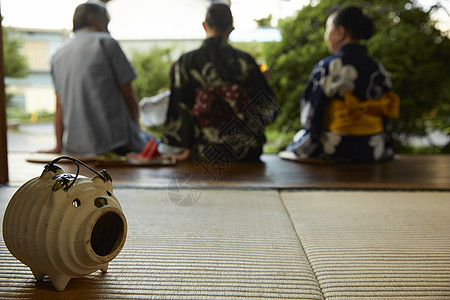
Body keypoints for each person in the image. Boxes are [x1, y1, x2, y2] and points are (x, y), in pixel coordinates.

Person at [279, 6, 399, 163]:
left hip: (335, 145)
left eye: (328, 29)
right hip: (373, 147)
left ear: (340, 32)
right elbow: (387, 107)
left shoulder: (328, 66)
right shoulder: (377, 67)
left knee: (300, 142)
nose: (326, 36)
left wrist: (311, 136)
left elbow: (310, 115)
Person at [159, 3, 278, 162]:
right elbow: (268, 107)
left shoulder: (186, 62)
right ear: (231, 29)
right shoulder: (245, 61)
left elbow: (180, 108)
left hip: (204, 149)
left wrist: (185, 148)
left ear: (204, 26)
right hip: (245, 150)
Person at [46, 2, 149, 156]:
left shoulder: (58, 54)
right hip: (116, 144)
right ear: (93, 19)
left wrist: (58, 146)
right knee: (156, 143)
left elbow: (59, 104)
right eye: (106, 20)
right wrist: (137, 131)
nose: (108, 24)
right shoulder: (106, 42)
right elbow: (128, 93)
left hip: (76, 148)